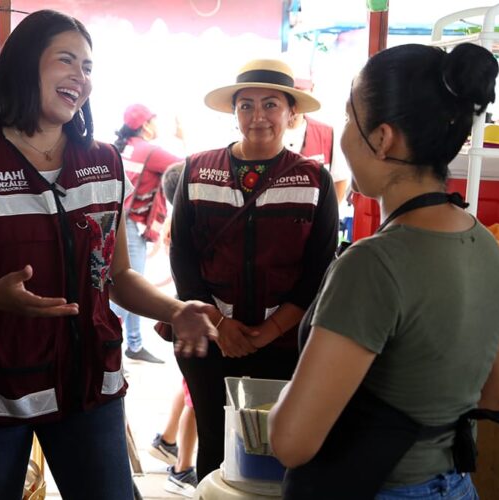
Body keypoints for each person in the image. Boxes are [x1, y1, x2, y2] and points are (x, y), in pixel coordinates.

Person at [0, 10, 216, 500]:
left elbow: (115, 274)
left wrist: (176, 310)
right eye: (67, 60)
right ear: (25, 63)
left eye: (90, 67)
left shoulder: (104, 162)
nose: (81, 76)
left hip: (89, 384)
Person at [268, 43, 499, 500]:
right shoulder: (487, 246)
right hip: (457, 486)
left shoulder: (372, 264)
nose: (343, 134)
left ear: (382, 139)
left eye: (348, 118)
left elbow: (291, 442)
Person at [170, 58, 339, 481]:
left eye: (270, 105)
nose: (257, 116)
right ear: (234, 112)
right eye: (246, 105)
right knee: (214, 443)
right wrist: (219, 323)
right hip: (210, 342)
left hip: (287, 345)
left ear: (291, 113)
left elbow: (320, 267)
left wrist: (270, 330)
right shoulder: (197, 168)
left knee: (279, 447)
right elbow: (183, 257)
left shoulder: (315, 179)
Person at [111, 103, 183, 364]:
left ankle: (134, 344)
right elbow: (186, 170)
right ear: (145, 125)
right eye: (154, 119)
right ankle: (106, 351)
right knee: (127, 286)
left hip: (120, 220)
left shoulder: (123, 147)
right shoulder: (149, 150)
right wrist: (181, 139)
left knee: (128, 284)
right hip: (131, 226)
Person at [148, 162, 198, 498]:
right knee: (196, 397)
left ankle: (166, 440)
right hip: (194, 320)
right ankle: (182, 469)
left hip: (184, 318)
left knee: (189, 386)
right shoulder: (189, 225)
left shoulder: (175, 223)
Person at [283, 76, 351, 204]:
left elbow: (339, 180)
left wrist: (329, 216)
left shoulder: (327, 133)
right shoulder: (265, 135)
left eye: (299, 96)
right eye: (289, 96)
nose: (293, 104)